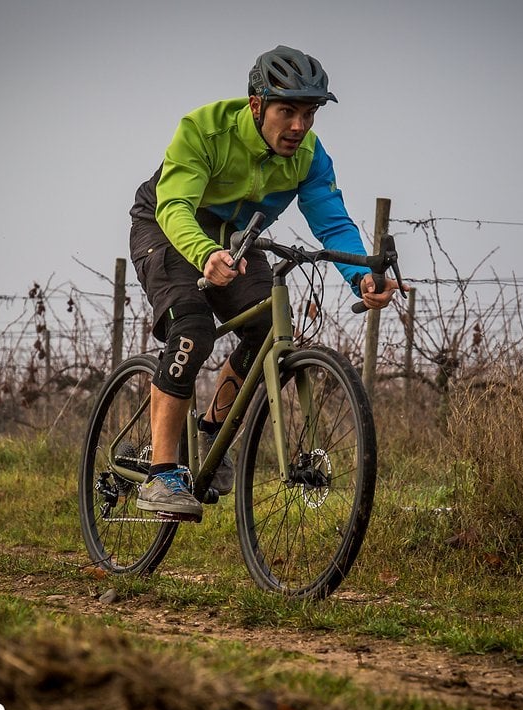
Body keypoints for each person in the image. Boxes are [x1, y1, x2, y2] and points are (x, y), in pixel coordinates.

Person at [128, 44, 400, 519]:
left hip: (235, 236)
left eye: (309, 113)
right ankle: (161, 474)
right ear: (256, 106)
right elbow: (174, 207)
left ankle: (213, 429)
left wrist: (361, 277)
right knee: (191, 328)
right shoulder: (204, 130)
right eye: (287, 111)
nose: (299, 126)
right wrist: (205, 254)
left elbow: (332, 224)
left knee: (267, 329)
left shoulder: (309, 155)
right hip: (167, 224)